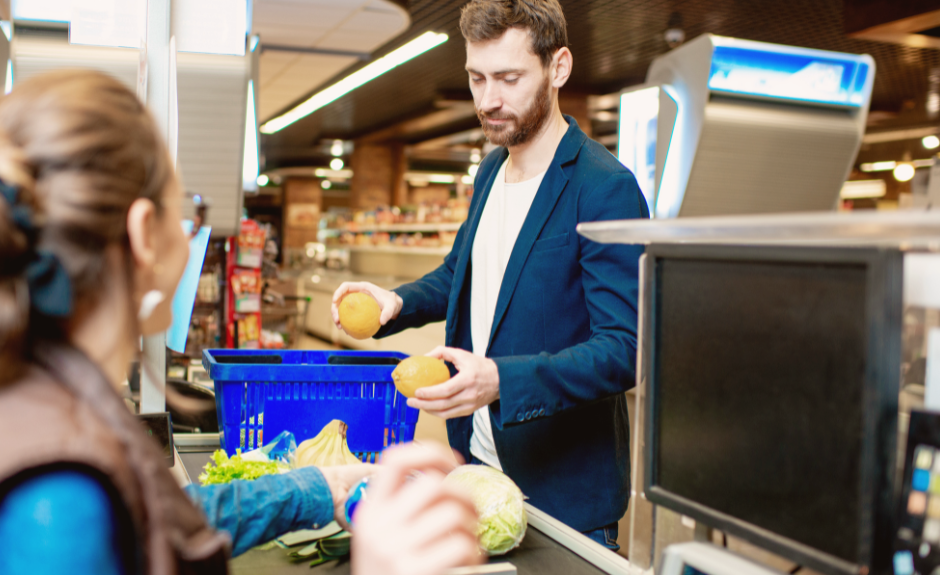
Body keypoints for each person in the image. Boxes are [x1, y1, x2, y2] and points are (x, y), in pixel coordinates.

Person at [0, 69, 480, 575]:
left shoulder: (41, 399)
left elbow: (151, 526)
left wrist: (321, 488)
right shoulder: (60, 499)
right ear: (145, 233)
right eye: (190, 213)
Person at [332, 0, 649, 551]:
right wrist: (396, 303)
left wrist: (501, 379)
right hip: (479, 469)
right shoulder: (492, 170)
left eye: (509, 78)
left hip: (563, 494)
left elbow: (626, 348)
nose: (488, 100)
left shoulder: (604, 187)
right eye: (477, 78)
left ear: (559, 68)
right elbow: (464, 271)